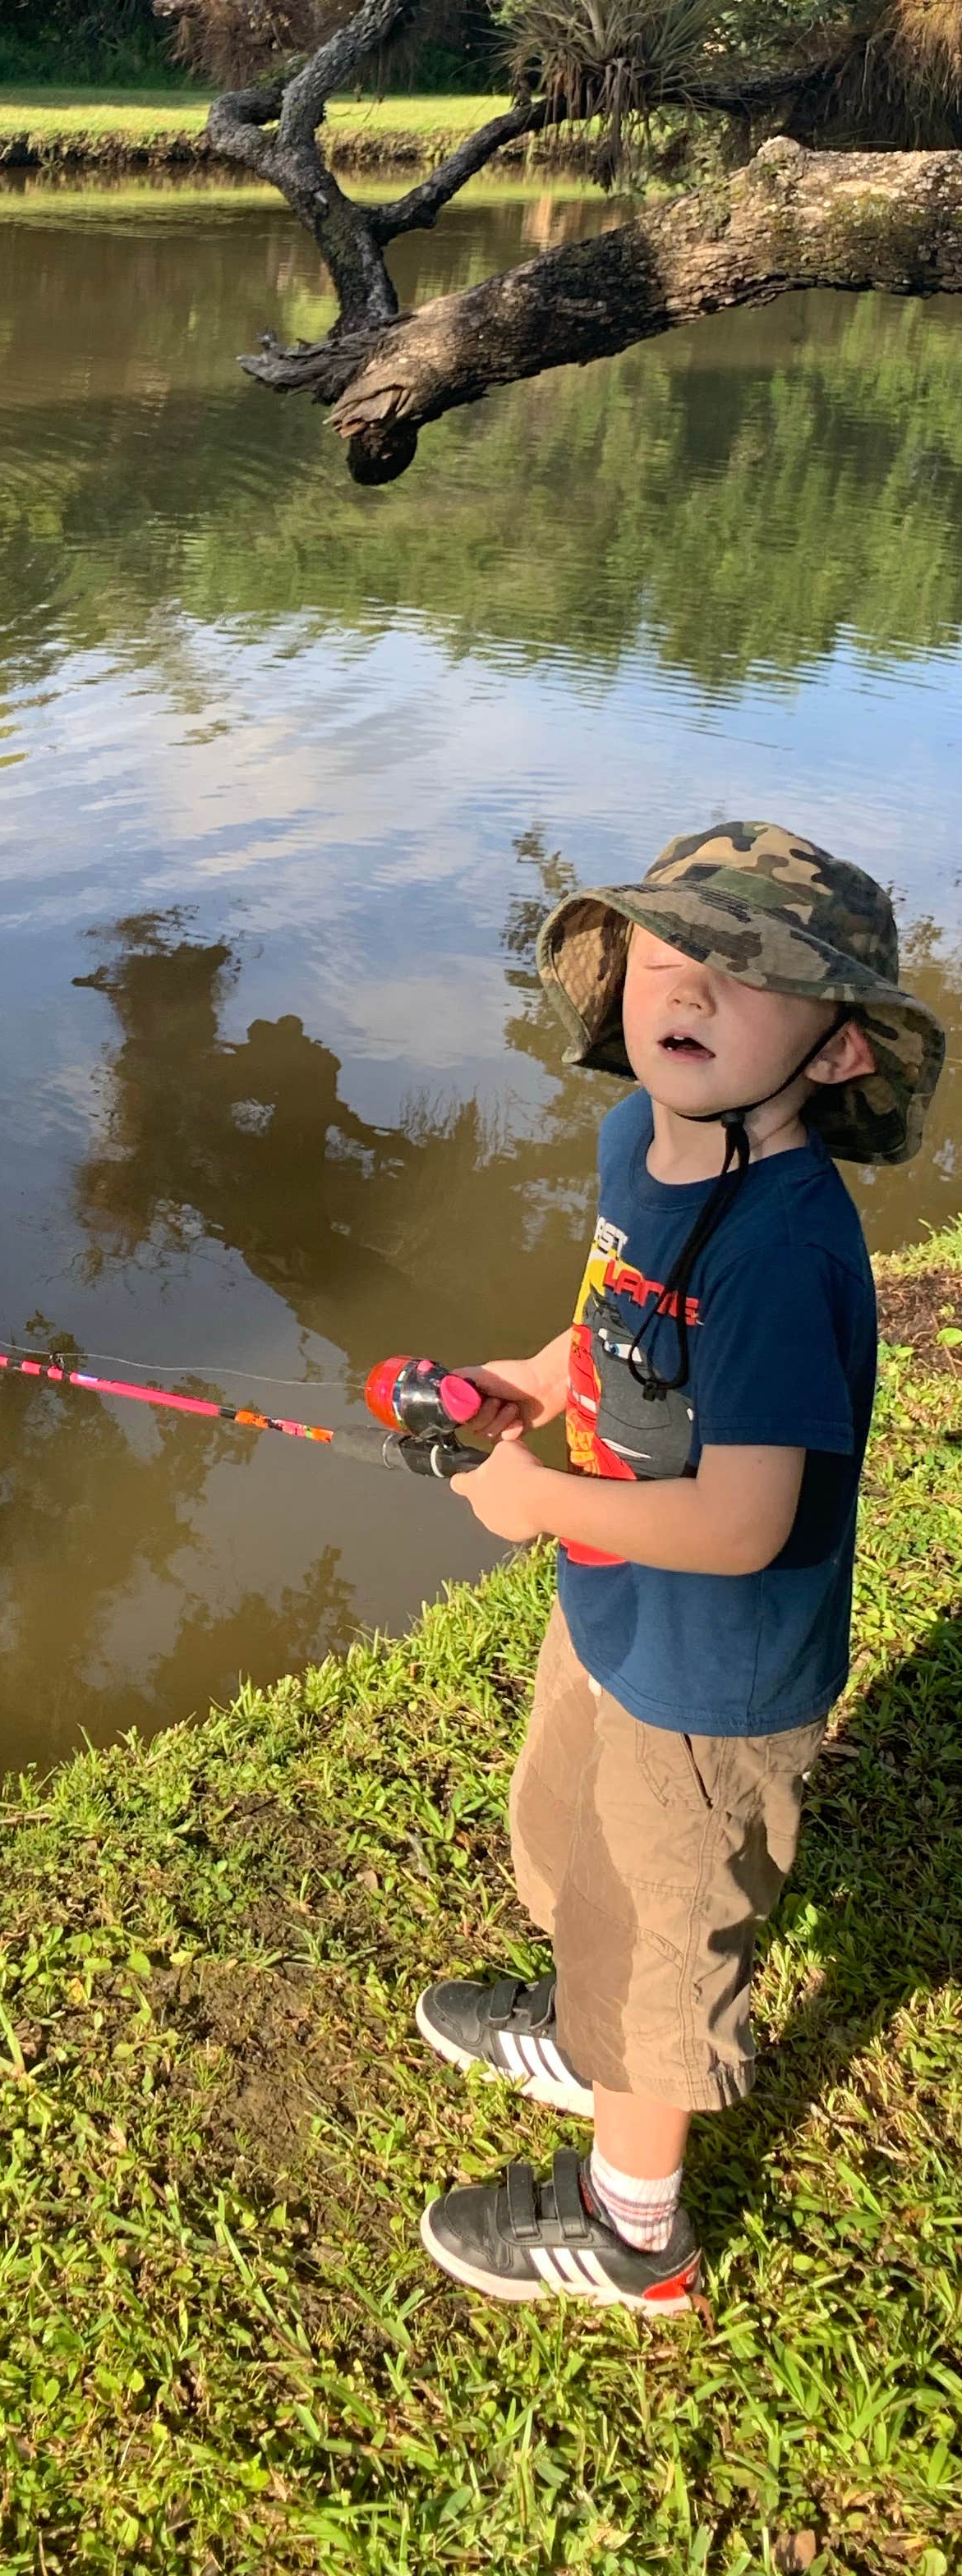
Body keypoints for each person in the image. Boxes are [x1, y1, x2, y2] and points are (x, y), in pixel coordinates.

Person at [412, 822, 946, 2315]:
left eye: (748, 976)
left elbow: (743, 1522)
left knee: (662, 1932)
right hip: (620, 1608)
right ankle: (585, 2017)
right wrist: (532, 1381)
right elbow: (618, 1329)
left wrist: (530, 1508)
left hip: (715, 1671)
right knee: (571, 1830)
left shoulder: (788, 1247)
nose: (688, 991)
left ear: (840, 1052)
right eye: (666, 957)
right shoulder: (637, 1144)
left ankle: (635, 2223)